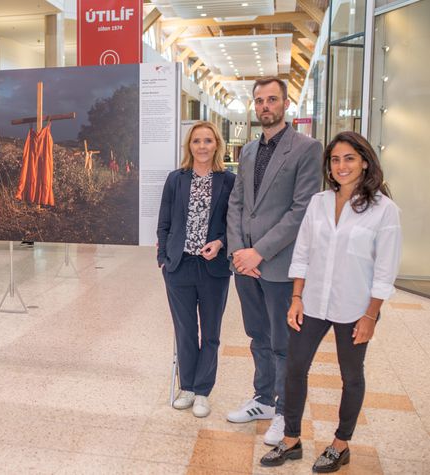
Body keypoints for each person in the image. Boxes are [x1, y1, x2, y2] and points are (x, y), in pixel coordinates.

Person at [261, 131, 401, 472]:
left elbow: (385, 270)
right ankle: (291, 439)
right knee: (295, 368)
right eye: (335, 159)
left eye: (349, 158)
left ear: (365, 162)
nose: (341, 166)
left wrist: (370, 317)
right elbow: (303, 253)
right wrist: (296, 298)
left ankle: (341, 444)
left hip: (356, 308)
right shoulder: (319, 203)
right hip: (312, 303)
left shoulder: (384, 210)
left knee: (351, 375)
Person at [226, 77, 323, 445]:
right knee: (257, 336)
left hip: (279, 265)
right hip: (245, 266)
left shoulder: (306, 148)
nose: (265, 106)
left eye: (272, 99)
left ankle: (285, 413)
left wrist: (259, 251)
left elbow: (302, 210)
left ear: (285, 104)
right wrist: (239, 252)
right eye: (259, 100)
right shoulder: (248, 150)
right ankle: (264, 399)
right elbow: (236, 202)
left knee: (283, 342)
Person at [157, 121, 236, 417]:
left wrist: (221, 243)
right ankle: (187, 387)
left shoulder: (229, 181)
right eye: (196, 141)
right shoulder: (175, 179)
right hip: (179, 267)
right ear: (189, 146)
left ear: (217, 144)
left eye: (208, 141)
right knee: (186, 330)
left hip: (213, 268)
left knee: (211, 332)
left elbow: (236, 226)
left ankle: (203, 390)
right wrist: (164, 257)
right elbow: (164, 221)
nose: (202, 146)